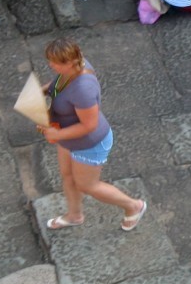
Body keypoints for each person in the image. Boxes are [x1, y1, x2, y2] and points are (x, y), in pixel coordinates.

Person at [39, 38, 148, 232]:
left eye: (55, 62)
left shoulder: (83, 90)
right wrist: (43, 90)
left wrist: (57, 133)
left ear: (71, 62)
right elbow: (57, 84)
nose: (51, 65)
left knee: (88, 185)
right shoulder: (72, 68)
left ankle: (133, 206)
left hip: (89, 143)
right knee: (67, 177)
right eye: (50, 60)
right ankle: (74, 215)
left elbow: (90, 125)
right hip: (68, 137)